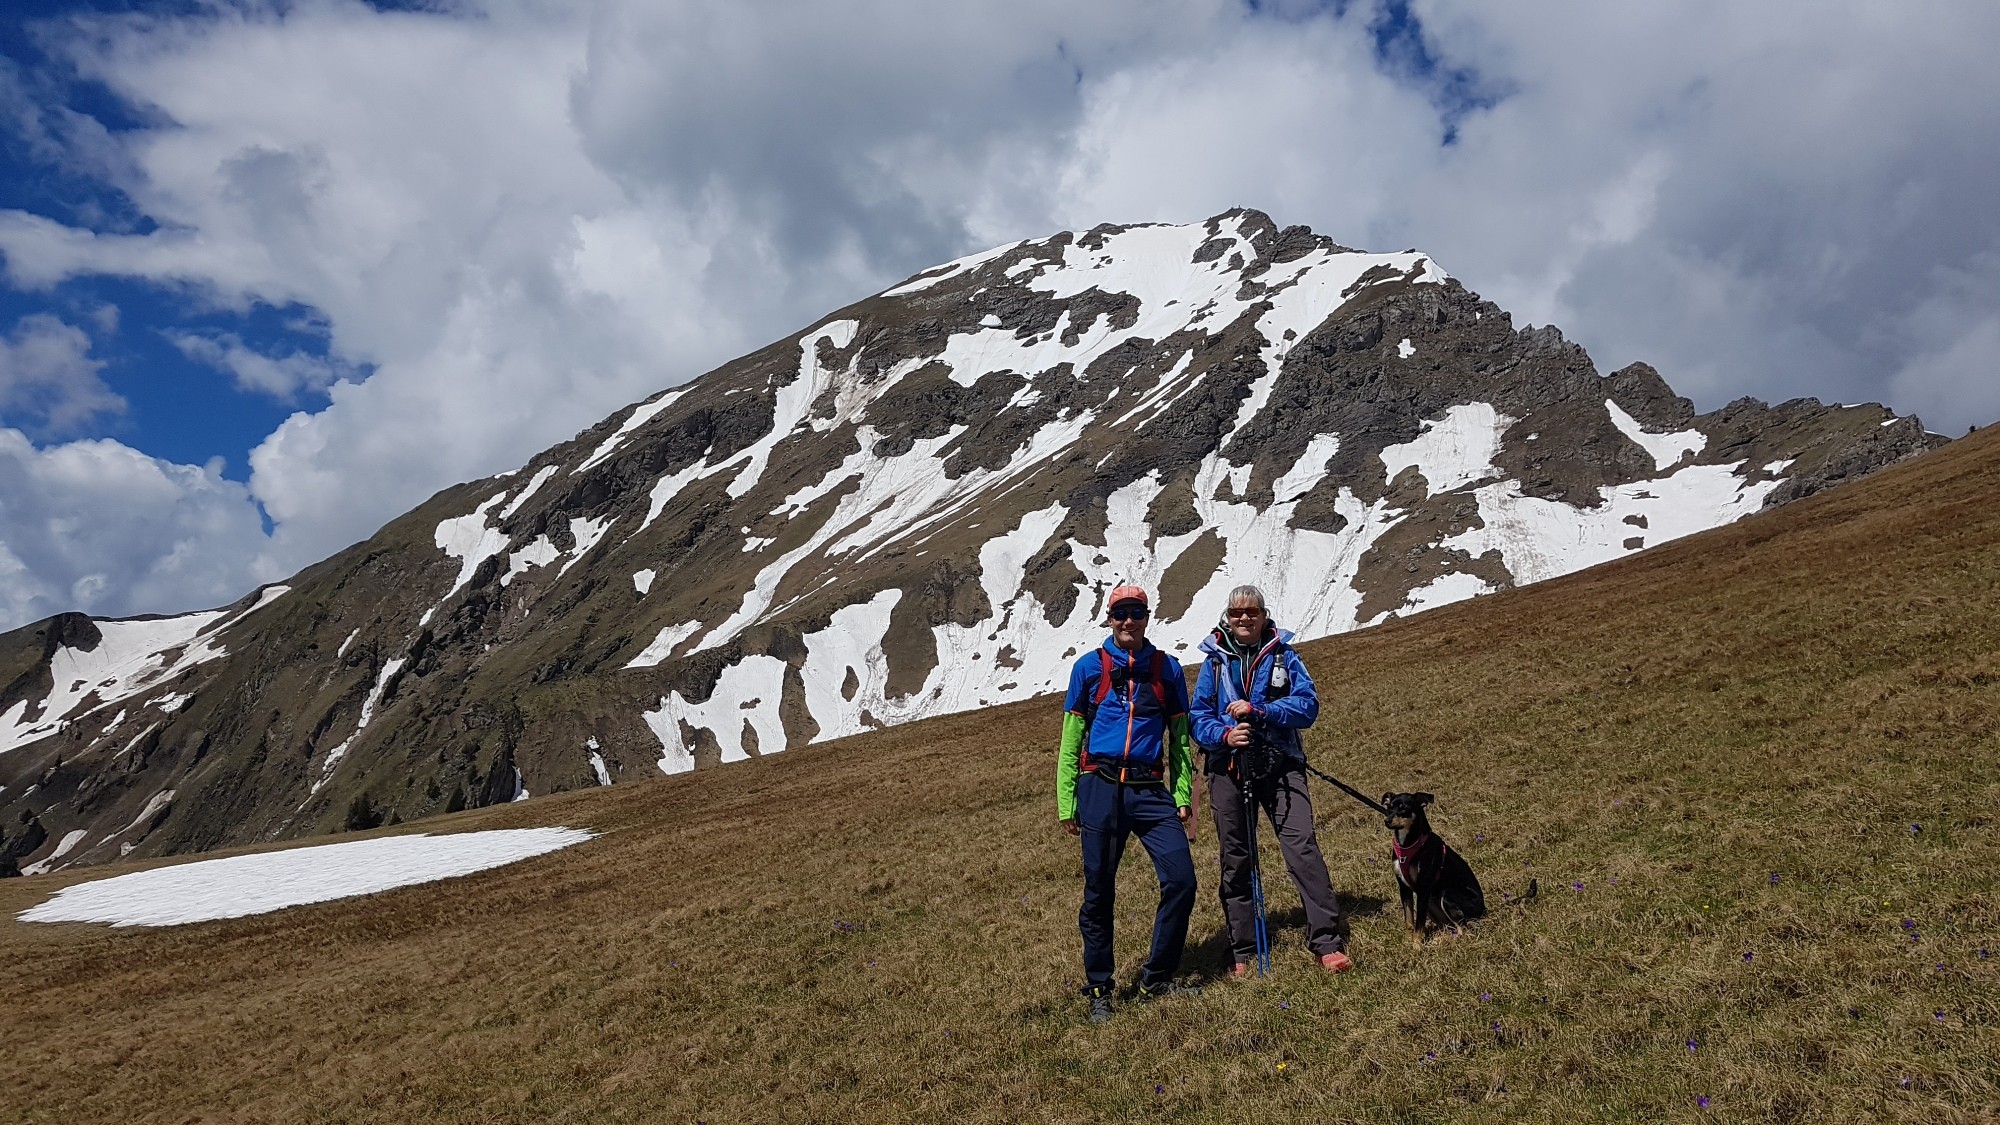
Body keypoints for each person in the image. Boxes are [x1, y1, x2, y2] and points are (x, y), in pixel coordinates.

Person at [1192, 584, 1352, 975]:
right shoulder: (1214, 663)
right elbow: (1198, 717)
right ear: (1226, 618)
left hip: (1281, 765)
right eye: (1236, 613)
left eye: (1252, 612)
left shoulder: (1284, 655)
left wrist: (1260, 711)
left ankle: (1327, 941)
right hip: (1229, 769)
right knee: (1236, 857)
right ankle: (1242, 950)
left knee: (1302, 848)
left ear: (1265, 616)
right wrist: (1225, 735)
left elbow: (1308, 705)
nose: (1244, 619)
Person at [1056, 584, 1198, 1022]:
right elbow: (1070, 739)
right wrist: (1067, 801)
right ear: (1109, 619)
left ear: (1147, 617)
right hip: (1098, 786)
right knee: (1099, 891)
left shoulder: (1167, 670)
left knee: (1182, 880)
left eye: (1136, 612)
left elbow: (1179, 740)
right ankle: (1100, 986)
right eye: (1120, 613)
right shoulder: (1088, 669)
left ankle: (1157, 976)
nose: (1128, 621)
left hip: (1150, 790)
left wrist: (1183, 795)